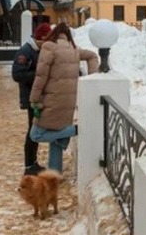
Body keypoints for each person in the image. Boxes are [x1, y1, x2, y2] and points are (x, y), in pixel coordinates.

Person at [29, 22, 98, 173]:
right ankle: (55, 173)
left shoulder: (49, 47)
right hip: (69, 102)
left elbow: (41, 76)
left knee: (36, 134)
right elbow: (93, 56)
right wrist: (92, 78)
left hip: (52, 100)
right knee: (56, 139)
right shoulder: (73, 49)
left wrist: (34, 98)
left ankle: (75, 130)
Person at [12, 22, 53, 175]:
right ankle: (29, 166)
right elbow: (17, 74)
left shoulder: (36, 50)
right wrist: (39, 75)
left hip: (35, 96)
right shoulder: (25, 52)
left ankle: (32, 163)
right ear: (39, 39)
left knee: (34, 129)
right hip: (31, 98)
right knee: (32, 131)